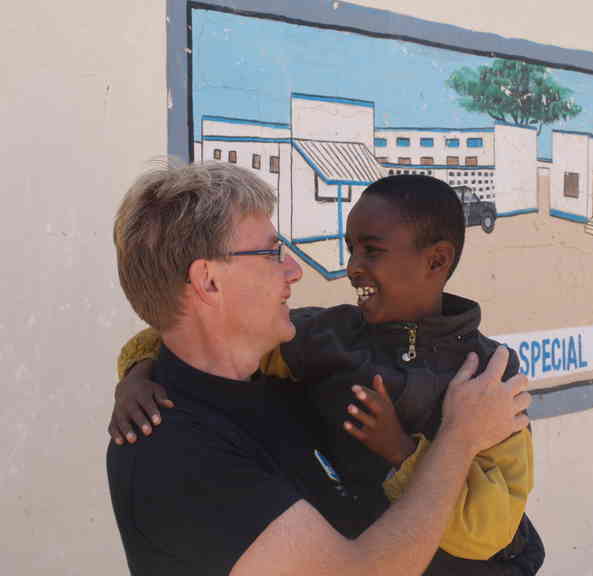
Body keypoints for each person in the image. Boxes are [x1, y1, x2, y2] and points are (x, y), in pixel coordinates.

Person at [107, 161, 531, 576]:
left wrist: (139, 369)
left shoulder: (487, 376)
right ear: (209, 281)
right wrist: (456, 439)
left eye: (372, 250)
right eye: (273, 253)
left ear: (437, 261)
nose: (296, 270)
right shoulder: (176, 449)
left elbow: (494, 525)